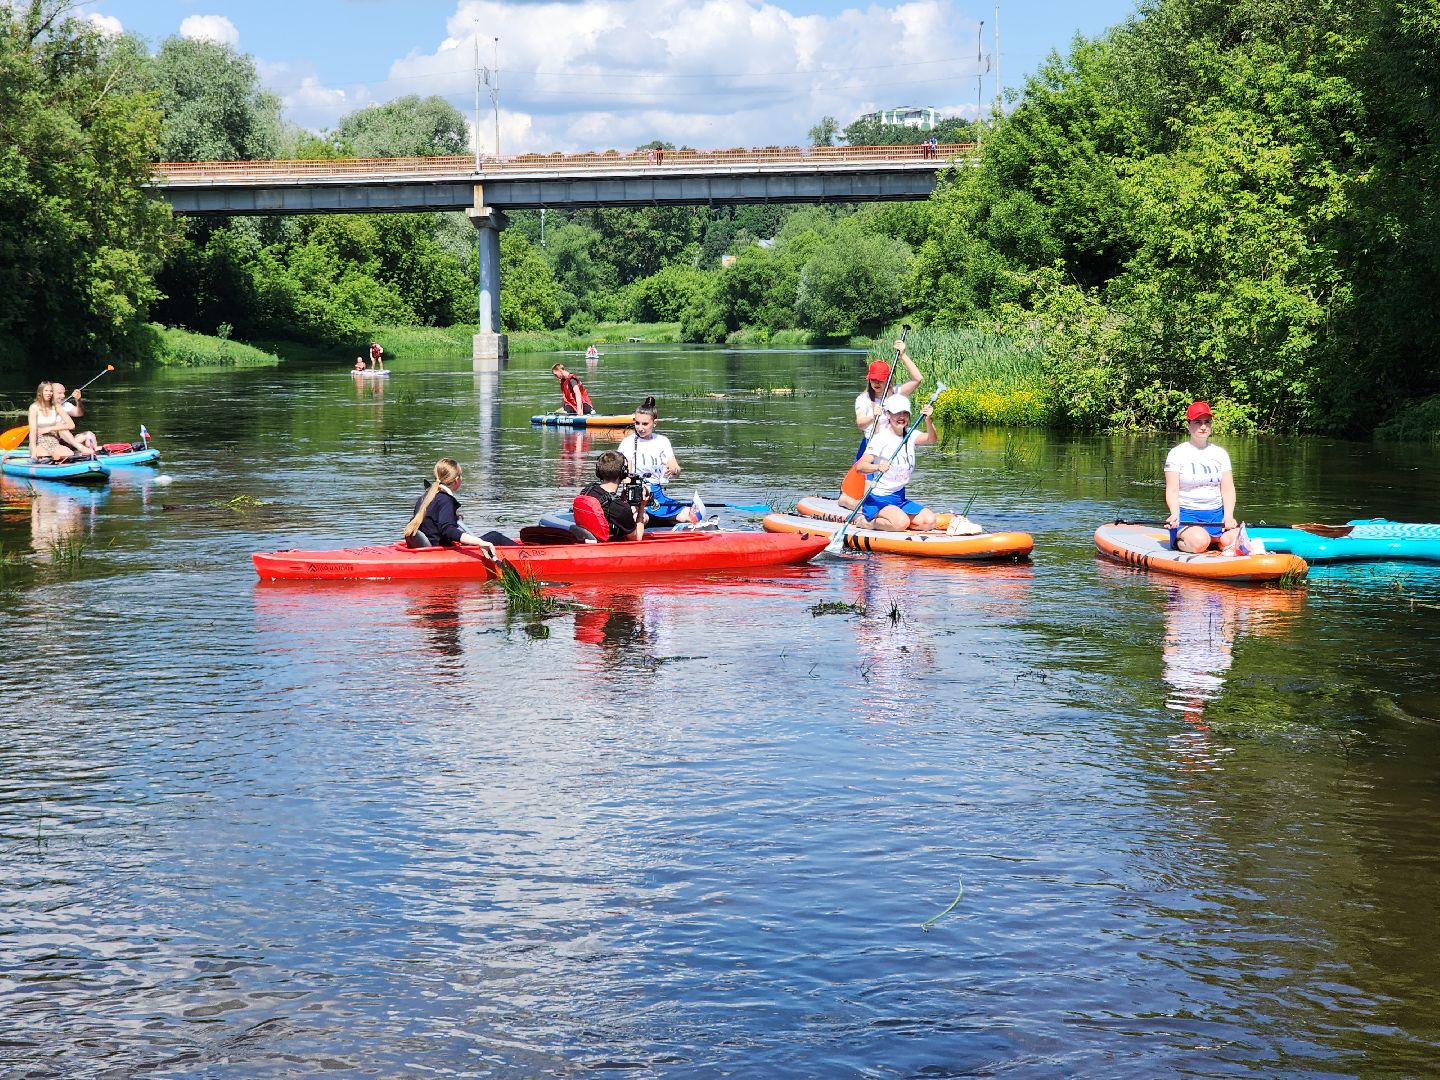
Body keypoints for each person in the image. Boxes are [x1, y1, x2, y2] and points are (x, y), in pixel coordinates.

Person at [839, 338, 923, 509]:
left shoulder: (897, 393)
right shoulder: (863, 399)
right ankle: (847, 501)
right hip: (871, 447)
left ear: (888, 379)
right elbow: (860, 424)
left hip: (892, 447)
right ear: (868, 380)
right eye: (873, 380)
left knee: (890, 489)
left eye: (880, 380)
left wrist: (903, 356)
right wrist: (873, 415)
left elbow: (917, 379)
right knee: (867, 499)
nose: (876, 383)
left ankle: (895, 513)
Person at [1165, 400, 1242, 553]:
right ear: (1189, 426)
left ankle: (1215, 541)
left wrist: (1228, 516)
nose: (1203, 426)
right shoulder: (1176, 453)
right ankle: (1180, 540)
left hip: (1216, 515)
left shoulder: (1220, 453)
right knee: (1201, 541)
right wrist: (1174, 513)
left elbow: (1227, 490)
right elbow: (1172, 490)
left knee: (1235, 540)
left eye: (1207, 422)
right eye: (1197, 422)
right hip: (1187, 515)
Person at [855, 393, 939, 532]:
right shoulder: (880, 438)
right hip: (878, 499)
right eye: (897, 413)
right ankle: (869, 523)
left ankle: (896, 522)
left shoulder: (911, 435)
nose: (901, 417)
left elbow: (932, 439)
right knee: (901, 523)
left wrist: (928, 420)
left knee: (929, 522)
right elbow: (860, 466)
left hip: (899, 498)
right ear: (888, 414)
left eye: (905, 413)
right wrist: (878, 467)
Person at [617, 396, 697, 526]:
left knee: (692, 515)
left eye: (645, 424)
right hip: (636, 496)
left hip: (657, 496)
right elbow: (625, 475)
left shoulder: (662, 441)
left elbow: (676, 469)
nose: (640, 428)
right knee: (639, 519)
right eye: (637, 423)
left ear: (654, 423)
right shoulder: (628, 443)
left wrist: (675, 470)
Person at [402, 458, 498, 556]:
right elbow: (448, 530)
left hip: (430, 546)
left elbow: (432, 521)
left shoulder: (425, 497)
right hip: (439, 551)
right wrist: (480, 542)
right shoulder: (445, 500)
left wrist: (452, 515)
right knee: (495, 536)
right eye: (461, 475)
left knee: (492, 536)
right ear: (457, 479)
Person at [574, 450, 644, 541]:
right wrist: (642, 507)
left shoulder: (587, 490)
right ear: (623, 473)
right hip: (607, 549)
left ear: (598, 472)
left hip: (587, 541)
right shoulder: (620, 508)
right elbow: (636, 538)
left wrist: (623, 500)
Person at [27, 382, 85, 461]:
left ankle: (83, 450)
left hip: (55, 441)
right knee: (43, 455)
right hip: (41, 441)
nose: (49, 393)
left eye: (50, 391)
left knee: (69, 454)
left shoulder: (57, 406)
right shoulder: (34, 407)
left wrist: (50, 428)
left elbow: (73, 422)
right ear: (40, 392)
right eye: (46, 391)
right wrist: (33, 451)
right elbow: (33, 432)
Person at [49, 382, 98, 453]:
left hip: (67, 441)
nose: (63, 396)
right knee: (61, 426)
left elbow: (79, 413)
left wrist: (78, 400)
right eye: (59, 393)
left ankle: (94, 452)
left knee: (89, 434)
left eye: (63, 393)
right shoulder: (42, 407)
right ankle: (81, 448)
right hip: (51, 443)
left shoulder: (65, 405)